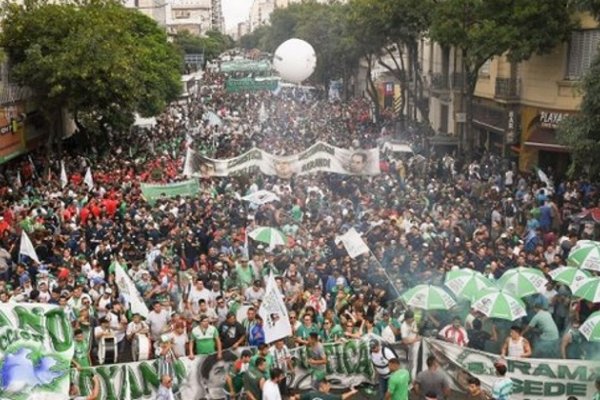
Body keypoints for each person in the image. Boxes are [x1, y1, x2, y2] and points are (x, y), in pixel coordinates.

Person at [400, 310, 421, 379]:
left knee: (415, 363)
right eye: (410, 320)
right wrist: (416, 340)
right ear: (406, 319)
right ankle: (411, 379)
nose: (411, 321)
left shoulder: (413, 321)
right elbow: (405, 341)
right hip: (409, 347)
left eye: (412, 319)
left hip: (416, 344)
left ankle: (412, 377)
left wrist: (416, 334)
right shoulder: (403, 327)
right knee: (411, 364)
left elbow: (416, 331)